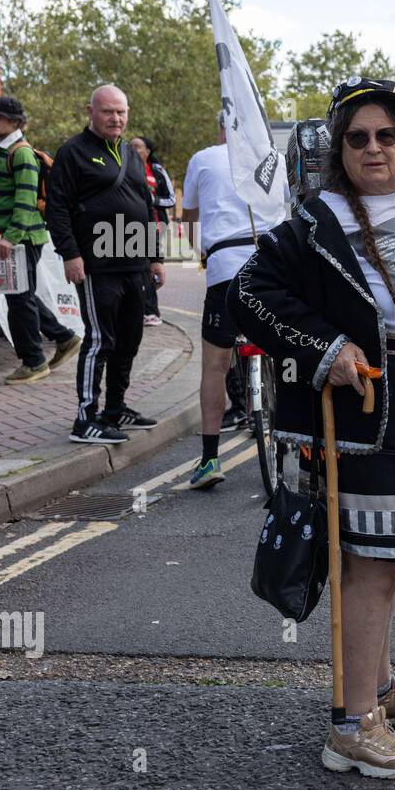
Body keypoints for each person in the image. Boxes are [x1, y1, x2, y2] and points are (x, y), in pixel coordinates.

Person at [227, 76, 395, 780]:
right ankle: (352, 723)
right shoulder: (318, 221)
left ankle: (375, 685)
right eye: (357, 137)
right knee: (369, 566)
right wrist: (326, 348)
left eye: (385, 136)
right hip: (370, 421)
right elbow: (249, 292)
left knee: (388, 561)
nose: (373, 147)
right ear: (339, 151)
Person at [45, 84, 163, 444]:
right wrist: (70, 254)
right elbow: (58, 207)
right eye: (108, 111)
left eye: (121, 112)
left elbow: (145, 207)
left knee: (129, 339)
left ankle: (114, 409)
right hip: (96, 265)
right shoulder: (72, 152)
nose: (116, 118)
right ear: (90, 111)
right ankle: (85, 419)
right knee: (100, 340)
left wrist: (155, 257)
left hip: (133, 263)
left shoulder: (130, 153)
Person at [180, 113, 262, 488]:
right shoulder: (269, 159)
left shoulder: (203, 158)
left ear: (219, 129)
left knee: (214, 365)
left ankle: (210, 459)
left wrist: (202, 252)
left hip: (224, 268)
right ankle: (297, 443)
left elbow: (189, 218)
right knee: (288, 351)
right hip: (268, 268)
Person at [0, 96, 83, 383]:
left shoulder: (21, 154)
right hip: (14, 237)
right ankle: (64, 338)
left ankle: (34, 361)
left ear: (15, 122)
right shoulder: (0, 151)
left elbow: (26, 201)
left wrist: (10, 237)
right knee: (20, 296)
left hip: (22, 238)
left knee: (19, 301)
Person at [131, 136, 175, 327]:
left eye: (137, 147)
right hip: (132, 225)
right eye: (130, 146)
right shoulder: (125, 167)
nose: (132, 149)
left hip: (155, 224)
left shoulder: (156, 171)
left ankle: (151, 312)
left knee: (147, 266)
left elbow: (171, 199)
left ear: (147, 151)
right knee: (139, 268)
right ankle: (142, 308)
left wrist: (152, 200)